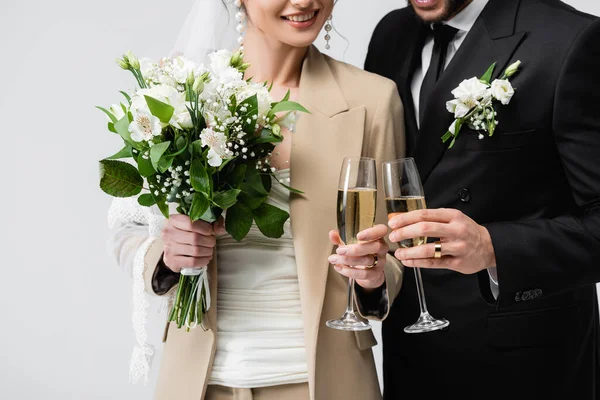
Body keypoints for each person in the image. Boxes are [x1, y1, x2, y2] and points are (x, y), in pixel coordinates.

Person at [109, 0, 405, 399]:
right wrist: (168, 255)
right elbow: (127, 228)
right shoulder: (184, 93)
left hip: (325, 383)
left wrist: (372, 276)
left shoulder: (373, 100)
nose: (304, 2)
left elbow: (394, 253)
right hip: (200, 383)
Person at [356, 0, 600, 399]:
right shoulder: (392, 34)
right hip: (413, 357)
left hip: (523, 366)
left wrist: (492, 247)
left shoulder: (571, 40)